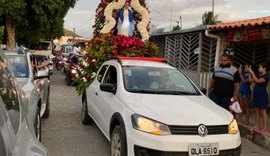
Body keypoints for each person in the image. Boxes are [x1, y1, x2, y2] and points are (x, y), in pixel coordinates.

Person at [247, 61, 270, 133]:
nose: (258, 69)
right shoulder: (258, 74)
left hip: (262, 95)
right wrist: (249, 74)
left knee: (263, 111)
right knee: (256, 111)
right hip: (256, 94)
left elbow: (257, 81)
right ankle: (256, 125)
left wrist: (252, 72)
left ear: (264, 68)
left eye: (260, 67)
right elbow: (251, 81)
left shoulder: (266, 76)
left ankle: (265, 127)